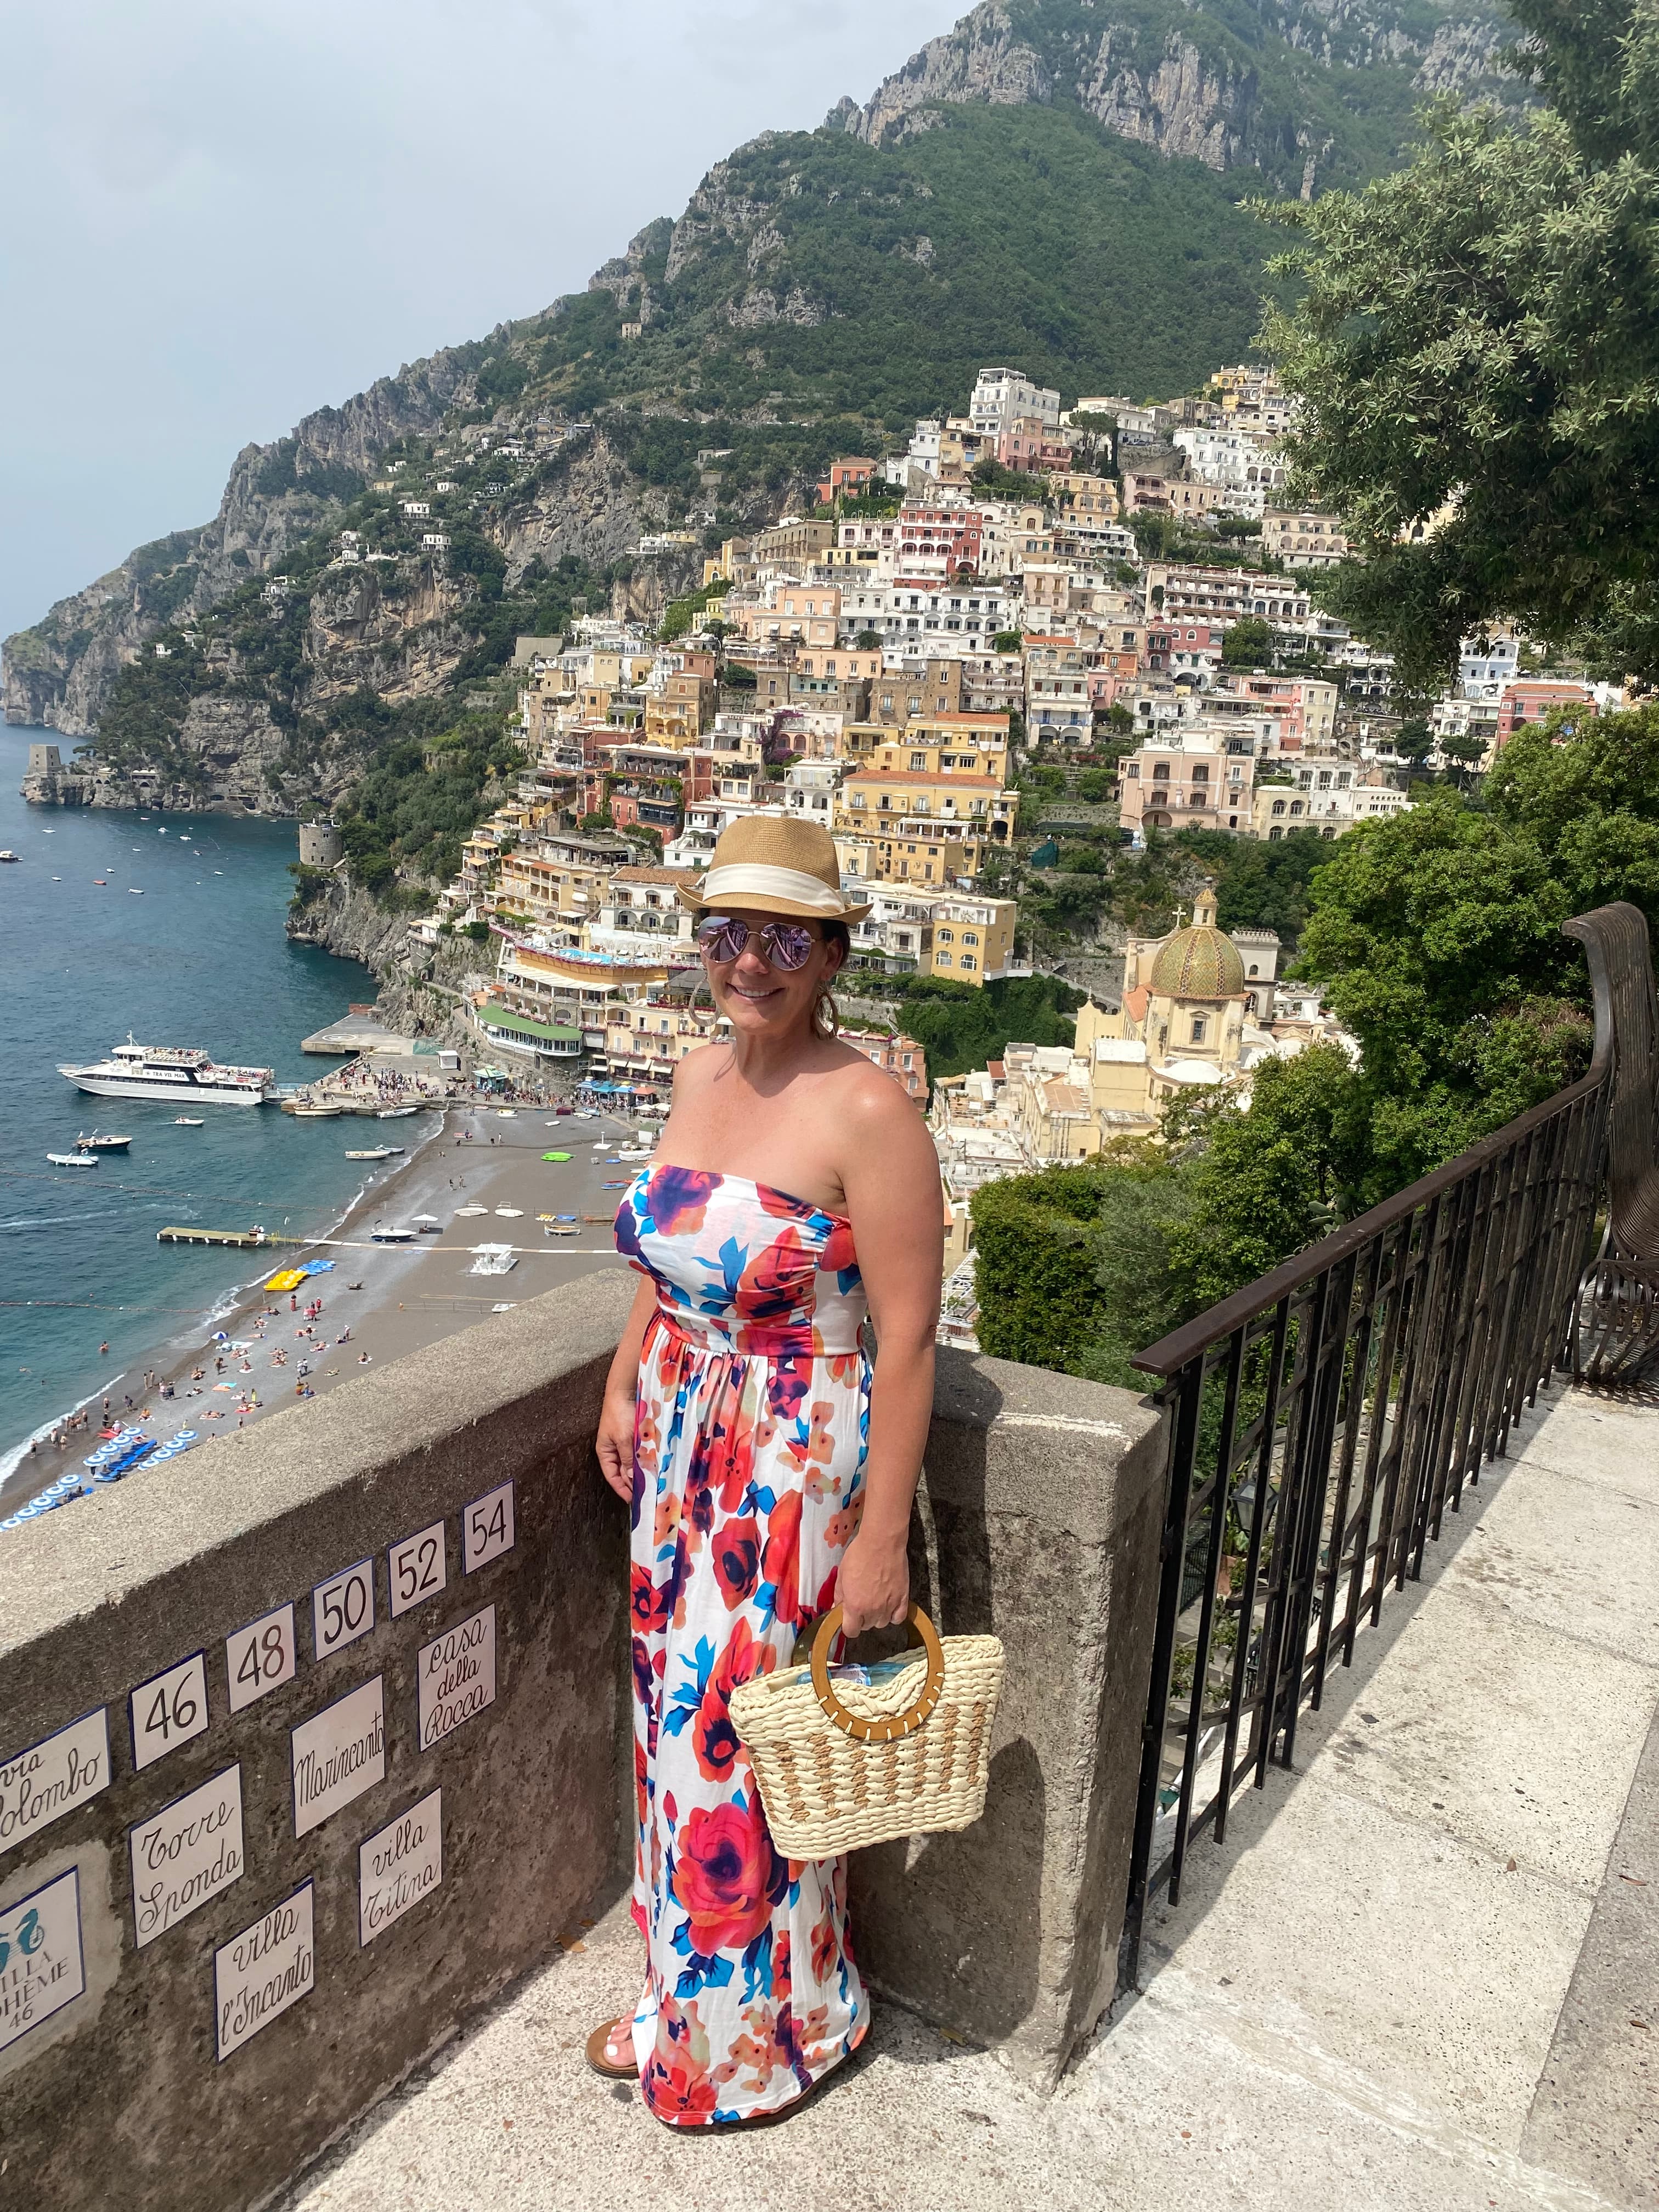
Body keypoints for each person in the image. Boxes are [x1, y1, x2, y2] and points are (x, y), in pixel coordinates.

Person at [591, 816, 943, 2129]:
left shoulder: (867, 1106)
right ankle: (682, 2002)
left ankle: (774, 2035)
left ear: (834, 953)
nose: (751, 962)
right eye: (727, 933)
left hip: (791, 1470)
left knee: (744, 1751)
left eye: (784, 937)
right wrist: (626, 1370)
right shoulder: (695, 1074)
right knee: (669, 1740)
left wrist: (882, 1540)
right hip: (683, 1454)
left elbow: (907, 1337)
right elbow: (666, 1256)